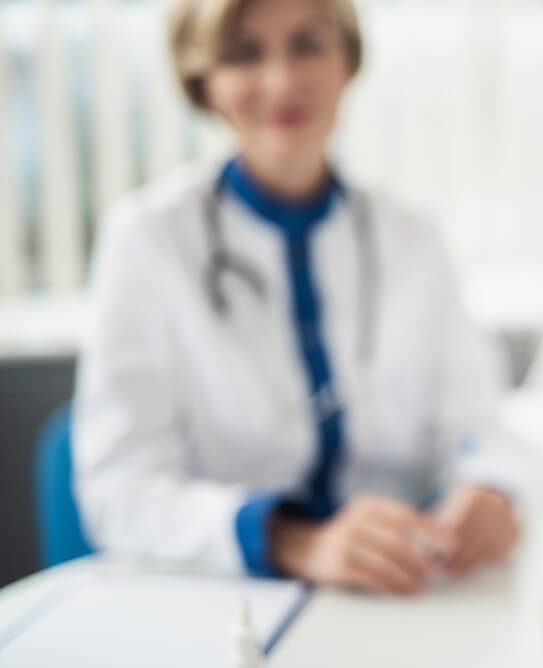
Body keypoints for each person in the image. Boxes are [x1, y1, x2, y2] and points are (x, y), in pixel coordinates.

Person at [73, 0, 518, 595]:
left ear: (347, 60)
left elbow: (478, 426)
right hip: (230, 602)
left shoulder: (414, 239)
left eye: (308, 44)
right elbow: (118, 489)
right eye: (243, 54)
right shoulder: (147, 242)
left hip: (402, 589)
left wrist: (488, 487)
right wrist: (294, 541)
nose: (283, 80)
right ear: (202, 79)